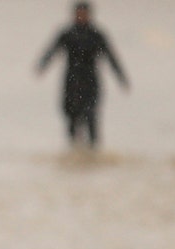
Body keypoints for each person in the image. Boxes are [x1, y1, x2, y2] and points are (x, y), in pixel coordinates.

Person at [36, 1, 130, 148]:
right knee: (71, 118)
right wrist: (42, 65)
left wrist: (121, 78)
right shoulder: (67, 33)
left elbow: (111, 56)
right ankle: (74, 151)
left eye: (84, 13)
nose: (81, 16)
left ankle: (93, 152)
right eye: (79, 13)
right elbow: (52, 50)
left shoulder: (97, 35)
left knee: (90, 116)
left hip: (90, 81)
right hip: (71, 81)